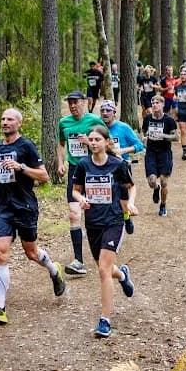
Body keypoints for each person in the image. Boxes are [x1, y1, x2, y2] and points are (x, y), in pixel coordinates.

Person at [0, 108, 65, 324]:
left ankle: (53, 270)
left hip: (24, 206)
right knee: (0, 253)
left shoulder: (26, 146)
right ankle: (0, 308)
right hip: (3, 207)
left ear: (19, 123)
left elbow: (44, 176)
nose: (5, 122)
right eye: (3, 119)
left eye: (10, 119)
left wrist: (21, 167)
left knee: (31, 253)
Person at [72, 125, 135, 337]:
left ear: (107, 142)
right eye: (90, 139)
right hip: (93, 222)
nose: (93, 143)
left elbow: (131, 187)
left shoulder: (117, 165)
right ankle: (122, 275)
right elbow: (75, 191)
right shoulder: (83, 165)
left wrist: (130, 204)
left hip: (114, 221)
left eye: (97, 139)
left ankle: (105, 321)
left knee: (102, 271)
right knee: (104, 267)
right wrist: (81, 199)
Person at [57, 90, 105, 275]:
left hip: (94, 171)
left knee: (95, 215)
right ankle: (78, 261)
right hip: (75, 171)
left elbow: (106, 143)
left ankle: (105, 248)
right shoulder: (64, 123)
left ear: (84, 102)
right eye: (70, 102)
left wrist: (90, 142)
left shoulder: (94, 121)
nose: (72, 106)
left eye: (76, 102)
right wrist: (60, 163)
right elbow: (61, 143)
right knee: (74, 214)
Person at [99, 99, 144, 234]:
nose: (105, 113)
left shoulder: (123, 128)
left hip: (121, 166)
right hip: (103, 168)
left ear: (114, 112)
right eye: (102, 110)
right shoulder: (98, 128)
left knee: (122, 197)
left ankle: (126, 217)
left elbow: (140, 145)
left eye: (108, 110)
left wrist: (122, 151)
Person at [142, 96, 178, 217]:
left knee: (164, 181)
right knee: (152, 181)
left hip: (164, 153)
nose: (154, 104)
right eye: (152, 102)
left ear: (162, 105)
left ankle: (163, 205)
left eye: (157, 102)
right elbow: (144, 133)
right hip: (151, 153)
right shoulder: (147, 119)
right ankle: (156, 188)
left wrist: (163, 135)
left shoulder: (169, 120)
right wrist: (144, 138)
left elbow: (176, 137)